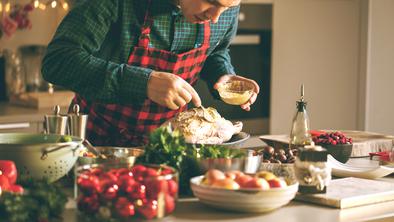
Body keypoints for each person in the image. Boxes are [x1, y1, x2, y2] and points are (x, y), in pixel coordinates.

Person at [42, 0, 260, 146]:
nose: (215, 17)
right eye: (212, 1)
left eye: (229, 6)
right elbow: (58, 60)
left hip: (169, 148)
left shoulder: (223, 9)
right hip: (96, 144)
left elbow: (216, 51)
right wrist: (143, 82)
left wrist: (223, 74)